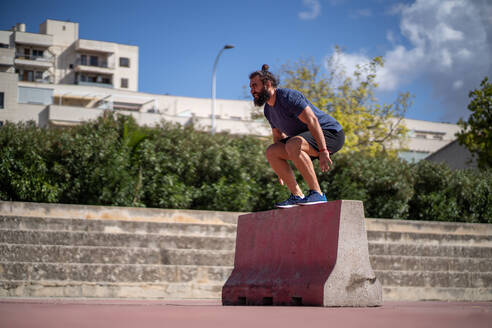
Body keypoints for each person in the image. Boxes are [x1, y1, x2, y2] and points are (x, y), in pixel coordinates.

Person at [249, 64, 345, 208]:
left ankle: (317, 194)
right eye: (251, 87)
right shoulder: (268, 110)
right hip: (302, 141)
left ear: (267, 84)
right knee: (272, 151)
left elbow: (312, 121)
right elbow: (277, 137)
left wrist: (323, 150)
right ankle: (296, 195)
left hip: (330, 134)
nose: (252, 91)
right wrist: (280, 167)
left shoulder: (288, 97)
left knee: (293, 144)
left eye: (254, 86)